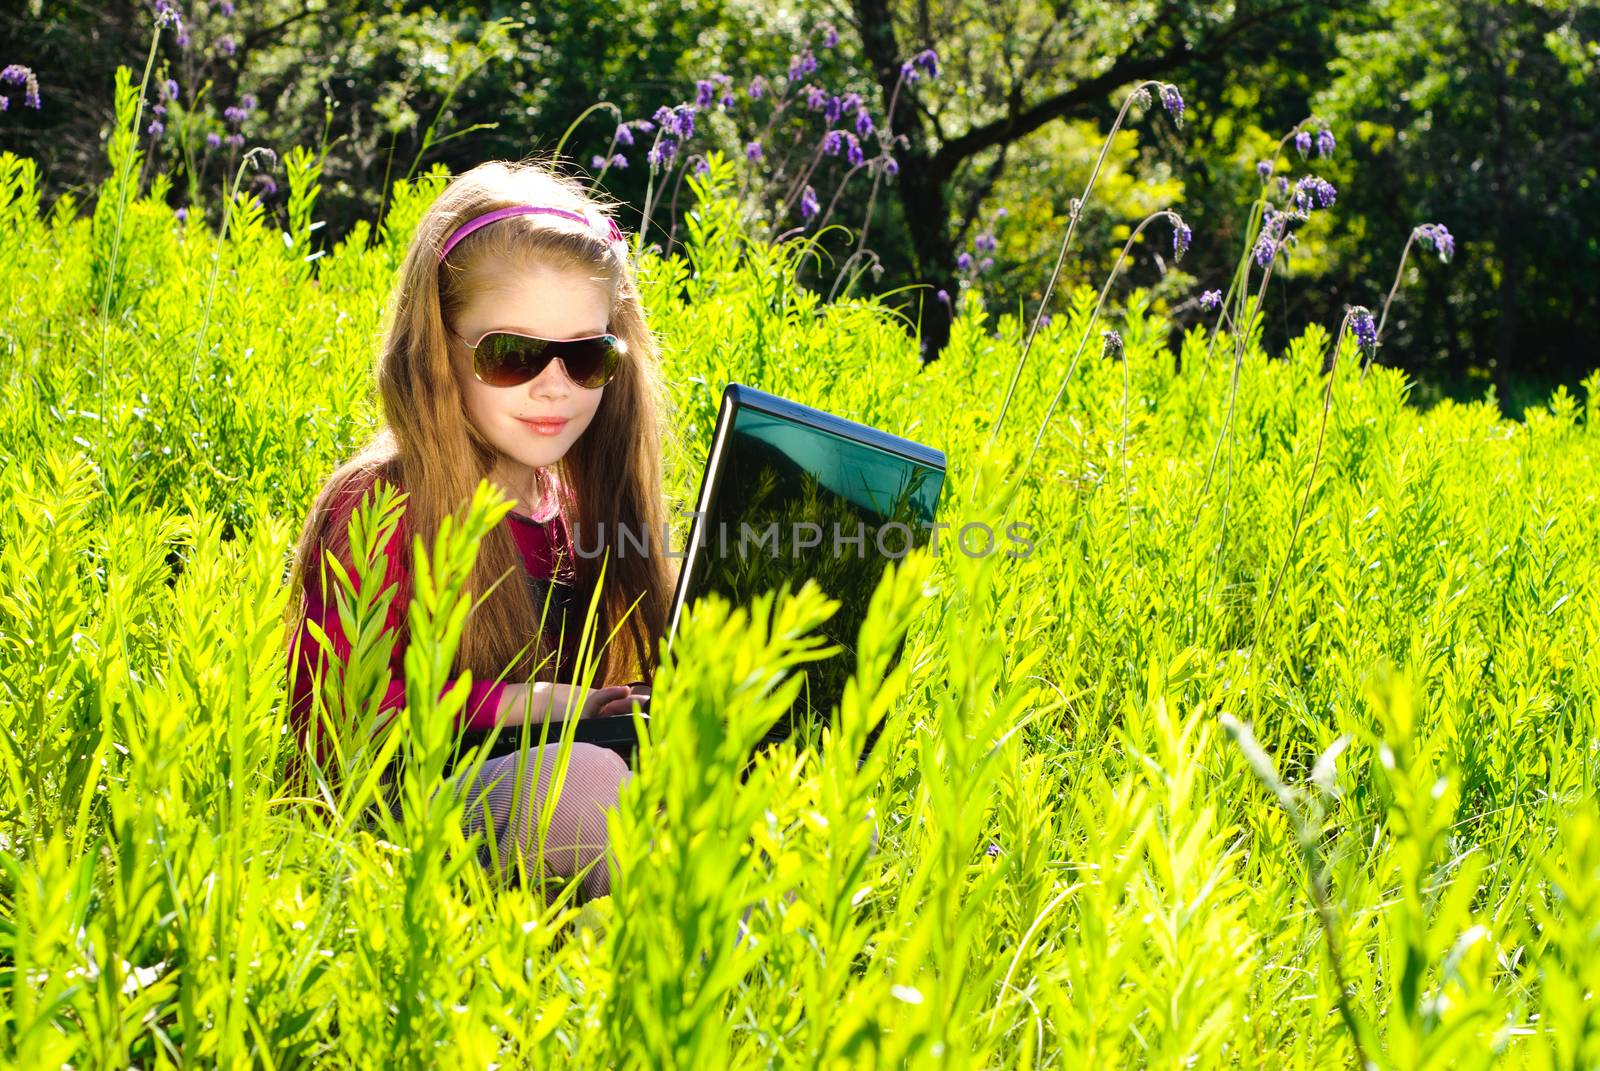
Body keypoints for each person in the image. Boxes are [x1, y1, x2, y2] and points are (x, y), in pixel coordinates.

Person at [283, 158, 678, 904]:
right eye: (512, 354)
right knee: (587, 783)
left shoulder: (574, 507)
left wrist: (609, 705)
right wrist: (537, 702)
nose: (553, 384)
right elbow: (337, 723)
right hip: (399, 821)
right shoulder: (383, 502)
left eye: (586, 355)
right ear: (438, 350)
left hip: (535, 804)